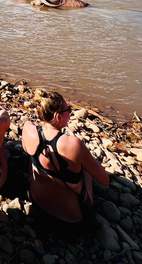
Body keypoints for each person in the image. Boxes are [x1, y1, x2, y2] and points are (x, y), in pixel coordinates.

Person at [22, 89, 109, 225]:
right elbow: (105, 181)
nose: (70, 113)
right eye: (68, 109)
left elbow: (27, 150)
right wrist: (79, 150)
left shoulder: (28, 128)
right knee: (84, 167)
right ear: (58, 117)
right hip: (71, 220)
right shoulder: (73, 144)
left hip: (37, 203)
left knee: (33, 158)